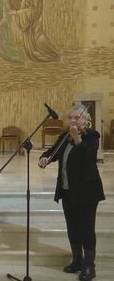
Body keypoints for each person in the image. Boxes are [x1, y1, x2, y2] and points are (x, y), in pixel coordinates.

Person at [38, 104, 105, 281]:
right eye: (71, 118)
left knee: (86, 229)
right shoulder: (65, 136)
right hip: (67, 190)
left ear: (86, 119)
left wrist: (78, 139)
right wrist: (44, 158)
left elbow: (89, 157)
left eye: (77, 117)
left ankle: (90, 266)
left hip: (87, 192)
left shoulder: (92, 136)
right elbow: (52, 153)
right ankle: (77, 260)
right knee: (73, 228)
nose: (73, 121)